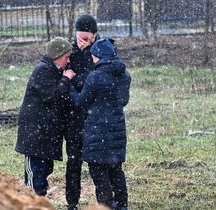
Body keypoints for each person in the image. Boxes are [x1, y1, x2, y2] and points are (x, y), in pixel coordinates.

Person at [69, 38, 131, 210]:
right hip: (117, 132)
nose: (92, 60)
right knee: (116, 171)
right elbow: (123, 100)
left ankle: (107, 206)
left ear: (98, 56)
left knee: (99, 174)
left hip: (98, 133)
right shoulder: (125, 75)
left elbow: (81, 102)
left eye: (94, 57)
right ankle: (122, 205)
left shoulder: (95, 76)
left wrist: (70, 84)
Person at [15, 37, 76, 196]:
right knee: (35, 175)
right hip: (35, 133)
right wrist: (66, 78)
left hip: (44, 132)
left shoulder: (53, 69)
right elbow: (53, 96)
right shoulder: (43, 70)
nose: (68, 61)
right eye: (66, 57)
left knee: (44, 170)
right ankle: (31, 202)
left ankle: (39, 200)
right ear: (57, 56)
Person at [64, 13, 100, 210]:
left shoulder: (102, 50)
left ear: (94, 35)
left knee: (98, 163)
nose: (82, 42)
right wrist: (78, 80)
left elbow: (95, 79)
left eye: (86, 38)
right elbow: (66, 76)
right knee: (73, 162)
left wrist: (78, 79)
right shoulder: (70, 51)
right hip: (74, 117)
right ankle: (72, 203)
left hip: (95, 117)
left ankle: (104, 201)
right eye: (79, 37)